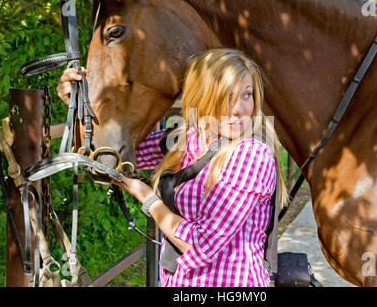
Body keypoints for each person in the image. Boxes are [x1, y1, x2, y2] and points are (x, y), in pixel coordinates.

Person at [57, 48, 288, 287]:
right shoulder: (186, 140)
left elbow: (201, 245)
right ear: (202, 97)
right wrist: (78, 105)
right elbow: (108, 154)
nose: (239, 109)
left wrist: (146, 196)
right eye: (226, 97)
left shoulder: (251, 154)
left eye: (246, 95)